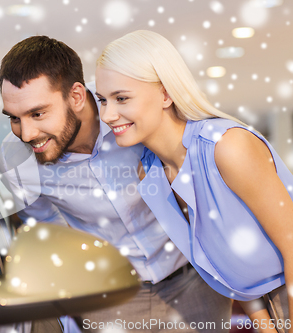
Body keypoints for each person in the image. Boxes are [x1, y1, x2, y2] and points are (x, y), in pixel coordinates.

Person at [0, 35, 232, 333]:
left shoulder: (130, 117)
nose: (27, 133)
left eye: (38, 113)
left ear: (77, 96)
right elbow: (46, 225)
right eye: (14, 119)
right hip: (108, 301)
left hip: (194, 282)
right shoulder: (15, 159)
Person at [95, 30, 292, 333]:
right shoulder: (149, 174)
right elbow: (224, 261)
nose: (108, 115)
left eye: (121, 98)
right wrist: (264, 325)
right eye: (103, 100)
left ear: (165, 94)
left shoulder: (226, 147)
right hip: (264, 306)